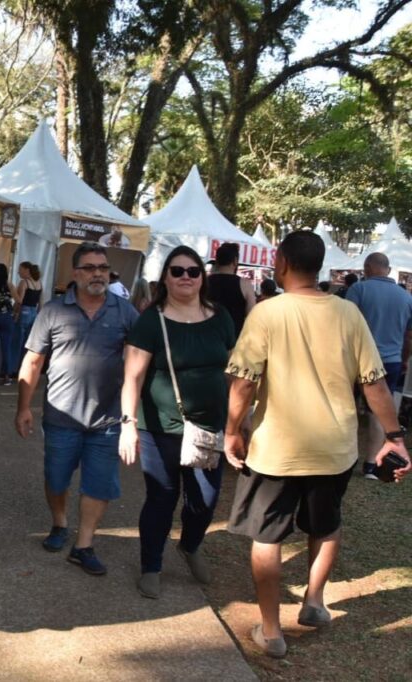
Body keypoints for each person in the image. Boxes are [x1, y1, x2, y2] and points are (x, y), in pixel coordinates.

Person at [223, 231, 411, 659]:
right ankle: (313, 602)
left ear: (283, 262)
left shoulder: (268, 313)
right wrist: (394, 437)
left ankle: (271, 631)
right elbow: (375, 385)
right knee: (326, 526)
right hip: (335, 447)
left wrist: (233, 430)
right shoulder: (348, 314)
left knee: (267, 537)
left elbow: (243, 382)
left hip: (276, 448)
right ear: (321, 265)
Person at [15, 242, 139, 576]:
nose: (98, 273)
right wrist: (23, 407)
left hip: (107, 419)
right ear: (75, 273)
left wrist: (131, 419)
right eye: (90, 267)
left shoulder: (125, 311)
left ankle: (83, 545)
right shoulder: (54, 311)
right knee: (56, 479)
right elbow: (33, 360)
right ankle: (59, 523)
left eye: (103, 268)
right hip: (61, 417)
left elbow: (139, 363)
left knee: (99, 485)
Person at [119, 246, 236, 598]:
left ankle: (190, 544)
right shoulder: (151, 320)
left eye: (193, 271)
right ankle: (151, 565)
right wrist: (127, 425)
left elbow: (232, 370)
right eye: (177, 271)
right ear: (165, 279)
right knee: (162, 496)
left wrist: (237, 419)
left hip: (208, 427)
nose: (186, 276)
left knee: (206, 499)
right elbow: (133, 377)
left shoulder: (221, 317)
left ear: (203, 277)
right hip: (160, 428)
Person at [345, 252, 412, 478]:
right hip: (391, 360)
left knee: (345, 406)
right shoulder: (405, 297)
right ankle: (371, 464)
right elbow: (409, 336)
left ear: (367, 267)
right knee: (378, 411)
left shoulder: (359, 290)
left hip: (357, 358)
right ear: (388, 269)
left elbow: (344, 325)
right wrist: (403, 359)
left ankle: (343, 457)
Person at [207, 242, 256, 333]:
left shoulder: (204, 282)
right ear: (235, 261)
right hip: (235, 340)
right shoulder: (245, 284)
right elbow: (252, 316)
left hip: (208, 338)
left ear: (216, 260)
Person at [14, 261, 43, 371]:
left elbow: (19, 301)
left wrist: (15, 312)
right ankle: (25, 367)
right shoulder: (39, 283)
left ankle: (15, 369)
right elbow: (41, 302)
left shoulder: (24, 282)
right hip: (34, 313)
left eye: (20, 269)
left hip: (24, 311)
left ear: (27, 270)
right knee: (28, 343)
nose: (18, 272)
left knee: (17, 341)